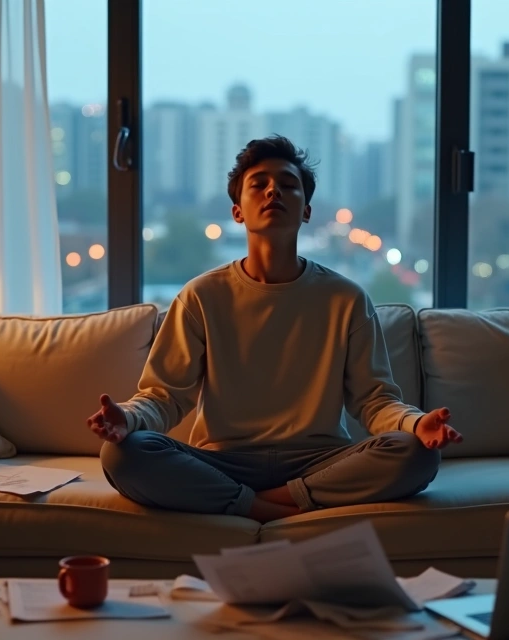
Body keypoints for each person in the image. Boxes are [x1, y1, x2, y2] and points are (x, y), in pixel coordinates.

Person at [87, 135, 462, 523]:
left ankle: (251, 502)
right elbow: (165, 397)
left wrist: (417, 423)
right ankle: (273, 505)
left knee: (416, 452)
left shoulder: (345, 298)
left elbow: (374, 401)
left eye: (287, 185)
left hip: (319, 461)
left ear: (306, 211)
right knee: (122, 454)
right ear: (237, 212)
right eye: (259, 184)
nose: (273, 192)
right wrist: (127, 419)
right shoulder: (201, 295)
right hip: (223, 460)